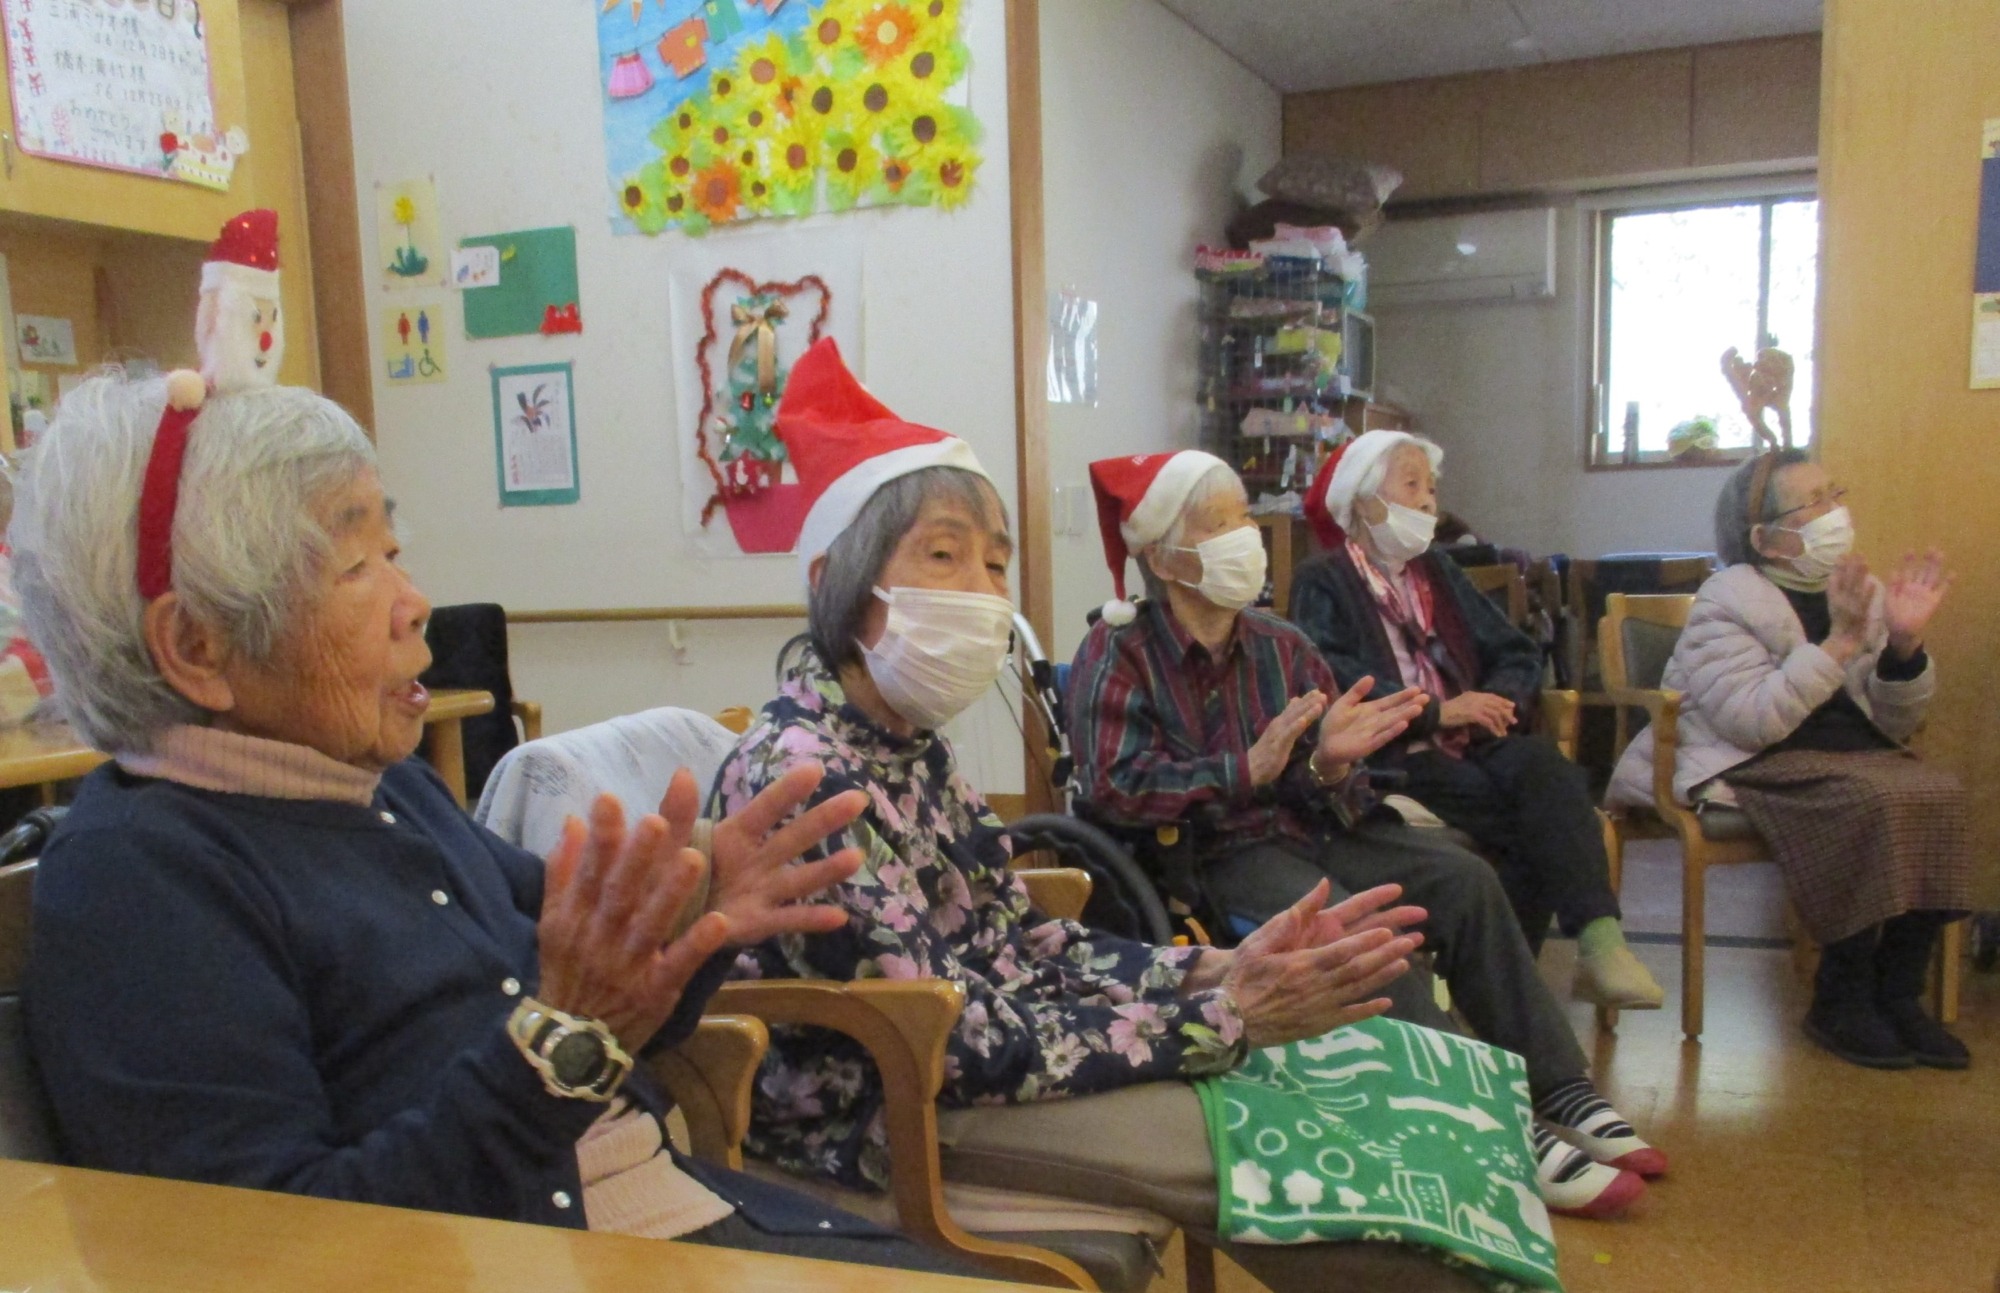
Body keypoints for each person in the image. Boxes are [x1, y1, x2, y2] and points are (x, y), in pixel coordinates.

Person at [11, 360, 984, 1275]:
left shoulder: (384, 788)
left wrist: (693, 914)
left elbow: (597, 998)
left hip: (658, 1212)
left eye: (394, 552)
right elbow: (275, 1257)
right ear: (195, 646)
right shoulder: (139, 880)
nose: (414, 602)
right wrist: (566, 1042)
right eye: (356, 566)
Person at [709, 339, 1505, 1291]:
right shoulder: (803, 778)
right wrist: (1221, 1016)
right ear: (833, 580)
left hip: (992, 1055)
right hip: (892, 1120)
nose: (984, 594)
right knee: (1335, 1168)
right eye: (943, 555)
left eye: (996, 564)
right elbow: (947, 1040)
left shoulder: (909, 748)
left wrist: (1211, 968)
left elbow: (1019, 943)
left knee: (1382, 1082)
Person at [1067, 449, 1664, 1220]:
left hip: (1312, 825)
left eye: (1244, 516)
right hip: (1211, 854)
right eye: (1219, 524)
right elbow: (1115, 786)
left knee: (1466, 882)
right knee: (1367, 934)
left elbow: (1334, 785)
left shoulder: (1282, 645)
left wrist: (1326, 764)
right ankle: (1491, 1122)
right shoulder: (1118, 652)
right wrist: (1243, 769)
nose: (1245, 535)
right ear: (1162, 555)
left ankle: (1562, 1087)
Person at [1609, 448, 1970, 1070]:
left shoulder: (1855, 590)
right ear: (1765, 537)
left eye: (1835, 493)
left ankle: (1897, 992)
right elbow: (1751, 720)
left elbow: (1894, 723)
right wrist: (1840, 643)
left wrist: (1904, 645)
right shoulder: (1726, 598)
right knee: (1869, 799)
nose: (1835, 511)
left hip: (1845, 754)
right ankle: (1841, 997)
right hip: (1752, 759)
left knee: (1938, 792)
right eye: (1813, 502)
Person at [1289, 431, 1664, 1009]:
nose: (1429, 501)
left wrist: (1496, 699)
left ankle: (1596, 943)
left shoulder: (1435, 570)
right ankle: (1513, 993)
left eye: (1432, 488)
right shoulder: (1323, 579)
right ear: (1363, 502)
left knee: (1547, 769)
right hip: (1396, 752)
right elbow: (1331, 677)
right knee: (1534, 830)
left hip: (1474, 739)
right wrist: (1436, 711)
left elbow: (1515, 650)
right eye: (1412, 485)